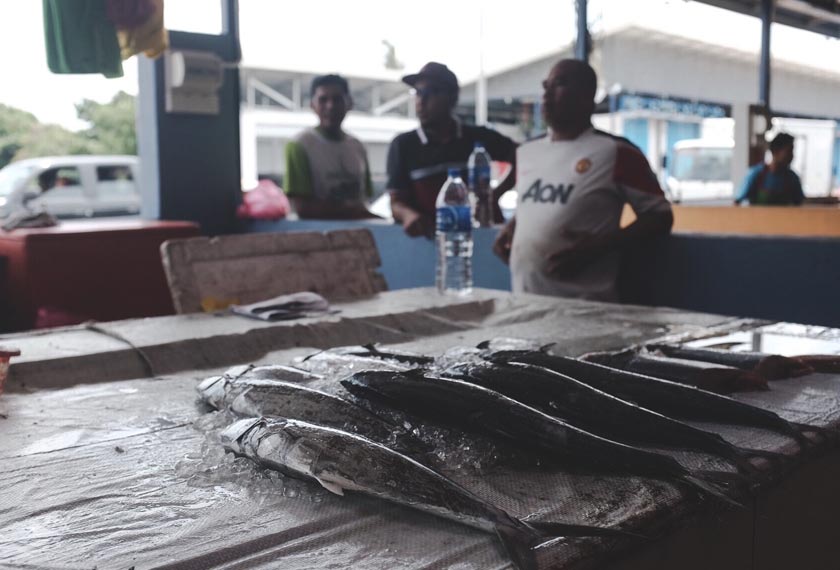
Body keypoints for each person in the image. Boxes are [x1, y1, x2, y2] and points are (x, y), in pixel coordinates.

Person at [493, 59, 673, 302]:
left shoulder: (616, 152)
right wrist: (514, 225)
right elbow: (540, 202)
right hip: (526, 303)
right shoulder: (527, 152)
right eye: (545, 85)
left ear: (587, 95)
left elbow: (660, 216)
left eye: (559, 84)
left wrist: (600, 246)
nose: (546, 93)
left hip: (587, 307)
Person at [386, 62, 518, 237]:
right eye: (417, 93)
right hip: (431, 243)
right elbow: (396, 202)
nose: (421, 101)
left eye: (431, 92)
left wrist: (495, 195)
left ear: (452, 97)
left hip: (483, 237)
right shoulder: (403, 145)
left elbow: (522, 157)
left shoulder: (479, 138)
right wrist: (409, 215)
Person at [284, 74, 378, 219]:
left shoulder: (357, 146)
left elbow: (364, 200)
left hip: (357, 237)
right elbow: (302, 207)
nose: (330, 106)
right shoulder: (299, 145)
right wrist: (352, 210)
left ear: (349, 103)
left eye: (337, 99)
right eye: (323, 100)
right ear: (312, 105)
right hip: (317, 238)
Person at [734, 133, 804, 206]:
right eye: (789, 151)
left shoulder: (792, 178)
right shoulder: (756, 174)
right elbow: (737, 202)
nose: (792, 156)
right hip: (757, 217)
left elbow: (800, 204)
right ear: (775, 151)